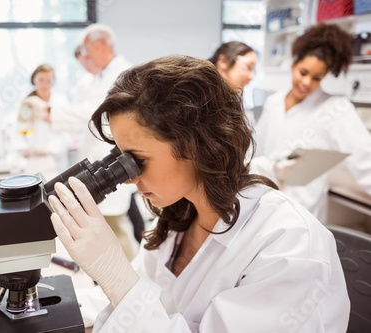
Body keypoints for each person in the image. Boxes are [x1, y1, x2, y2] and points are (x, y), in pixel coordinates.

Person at [47, 55, 349, 332]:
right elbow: (143, 306)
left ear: (195, 145)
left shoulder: (288, 247)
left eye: (137, 160)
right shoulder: (177, 218)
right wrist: (47, 308)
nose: (127, 179)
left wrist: (117, 277)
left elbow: (134, 300)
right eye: (121, 158)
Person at [252, 23, 371, 224]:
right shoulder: (274, 102)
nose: (307, 82)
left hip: (301, 213)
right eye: (303, 72)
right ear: (293, 65)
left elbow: (365, 159)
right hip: (265, 202)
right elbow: (259, 147)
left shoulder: (335, 108)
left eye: (317, 78)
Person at [70, 23, 139, 260]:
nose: (86, 55)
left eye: (88, 49)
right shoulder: (100, 76)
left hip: (112, 160)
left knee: (115, 228)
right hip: (101, 160)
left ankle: (129, 284)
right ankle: (109, 281)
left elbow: (94, 111)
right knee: (103, 228)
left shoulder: (123, 73)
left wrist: (50, 110)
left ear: (101, 44)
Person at [16, 63, 73, 171]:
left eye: (49, 81)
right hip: (32, 158)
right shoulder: (27, 103)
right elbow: (20, 129)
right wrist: (25, 148)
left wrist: (50, 149)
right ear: (34, 80)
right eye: (41, 80)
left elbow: (67, 133)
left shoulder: (61, 102)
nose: (44, 84)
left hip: (57, 159)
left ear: (53, 82)